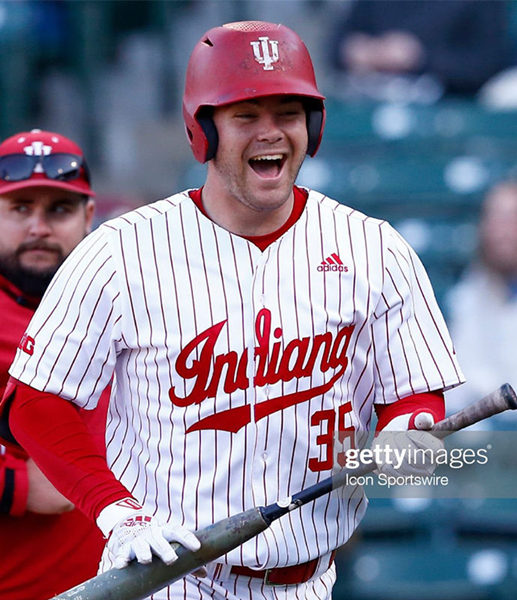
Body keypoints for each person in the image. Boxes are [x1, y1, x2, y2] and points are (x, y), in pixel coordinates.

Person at [0, 22, 464, 599]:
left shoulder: (375, 248)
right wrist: (116, 511)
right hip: (167, 577)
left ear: (312, 125)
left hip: (311, 579)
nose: (271, 133)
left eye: (288, 113)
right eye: (246, 115)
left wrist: (408, 432)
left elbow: (413, 397)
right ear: (203, 131)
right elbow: (36, 405)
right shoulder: (121, 250)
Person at [0, 129, 108, 599]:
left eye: (58, 209)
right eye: (20, 209)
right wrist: (16, 484)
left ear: (88, 215)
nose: (39, 227)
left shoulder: (129, 306)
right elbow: (46, 489)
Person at [329, 0, 513, 102]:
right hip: (369, 98)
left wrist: (419, 58)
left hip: (450, 107)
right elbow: (336, 47)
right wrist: (360, 51)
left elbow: (486, 64)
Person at [445, 180, 517, 425]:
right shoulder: (467, 295)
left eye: (512, 218)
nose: (503, 231)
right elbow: (459, 388)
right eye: (495, 218)